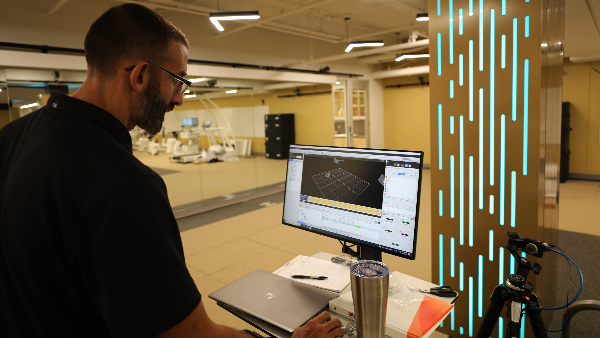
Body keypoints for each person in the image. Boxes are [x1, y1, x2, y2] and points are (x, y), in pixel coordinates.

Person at [0, 4, 344, 338]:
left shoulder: (13, 137)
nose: (179, 98)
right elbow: (187, 333)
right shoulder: (124, 185)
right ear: (140, 75)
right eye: (178, 82)